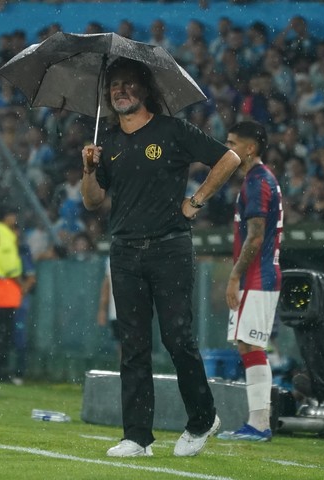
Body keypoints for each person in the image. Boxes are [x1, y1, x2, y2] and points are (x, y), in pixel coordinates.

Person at [81, 57, 241, 458]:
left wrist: (197, 200)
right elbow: (93, 201)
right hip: (124, 251)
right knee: (133, 346)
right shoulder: (109, 144)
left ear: (145, 89)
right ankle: (137, 437)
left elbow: (230, 158)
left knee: (177, 338)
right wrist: (87, 169)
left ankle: (203, 419)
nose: (121, 90)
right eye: (115, 85)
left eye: (129, 84)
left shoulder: (171, 130)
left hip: (169, 247)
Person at [216, 121, 283, 442]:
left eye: (232, 142)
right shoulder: (256, 180)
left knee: (252, 345)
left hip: (258, 276)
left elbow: (255, 237)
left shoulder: (257, 182)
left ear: (250, 148)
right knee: (248, 345)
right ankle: (258, 422)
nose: (227, 147)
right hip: (260, 275)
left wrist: (234, 276)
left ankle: (259, 424)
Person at [0, 206, 35, 382]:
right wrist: (20, 282)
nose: (14, 219)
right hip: (3, 288)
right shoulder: (4, 233)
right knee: (1, 334)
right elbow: (10, 265)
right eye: (12, 215)